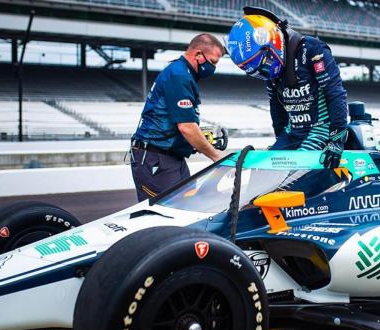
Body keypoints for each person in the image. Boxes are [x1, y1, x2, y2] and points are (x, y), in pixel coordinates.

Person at [226, 7, 348, 169]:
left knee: (291, 179)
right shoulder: (271, 69)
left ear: (273, 42)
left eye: (262, 64)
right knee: (262, 172)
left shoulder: (313, 51)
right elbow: (275, 104)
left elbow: (335, 94)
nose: (263, 73)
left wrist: (336, 139)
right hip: (292, 133)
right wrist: (279, 140)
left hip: (321, 132)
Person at [131, 33, 225, 202]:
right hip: (156, 159)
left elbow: (178, 124)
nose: (213, 68)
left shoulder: (182, 72)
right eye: (213, 62)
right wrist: (216, 156)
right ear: (197, 54)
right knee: (163, 215)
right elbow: (186, 127)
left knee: (187, 206)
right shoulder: (179, 76)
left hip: (171, 157)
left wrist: (202, 137)